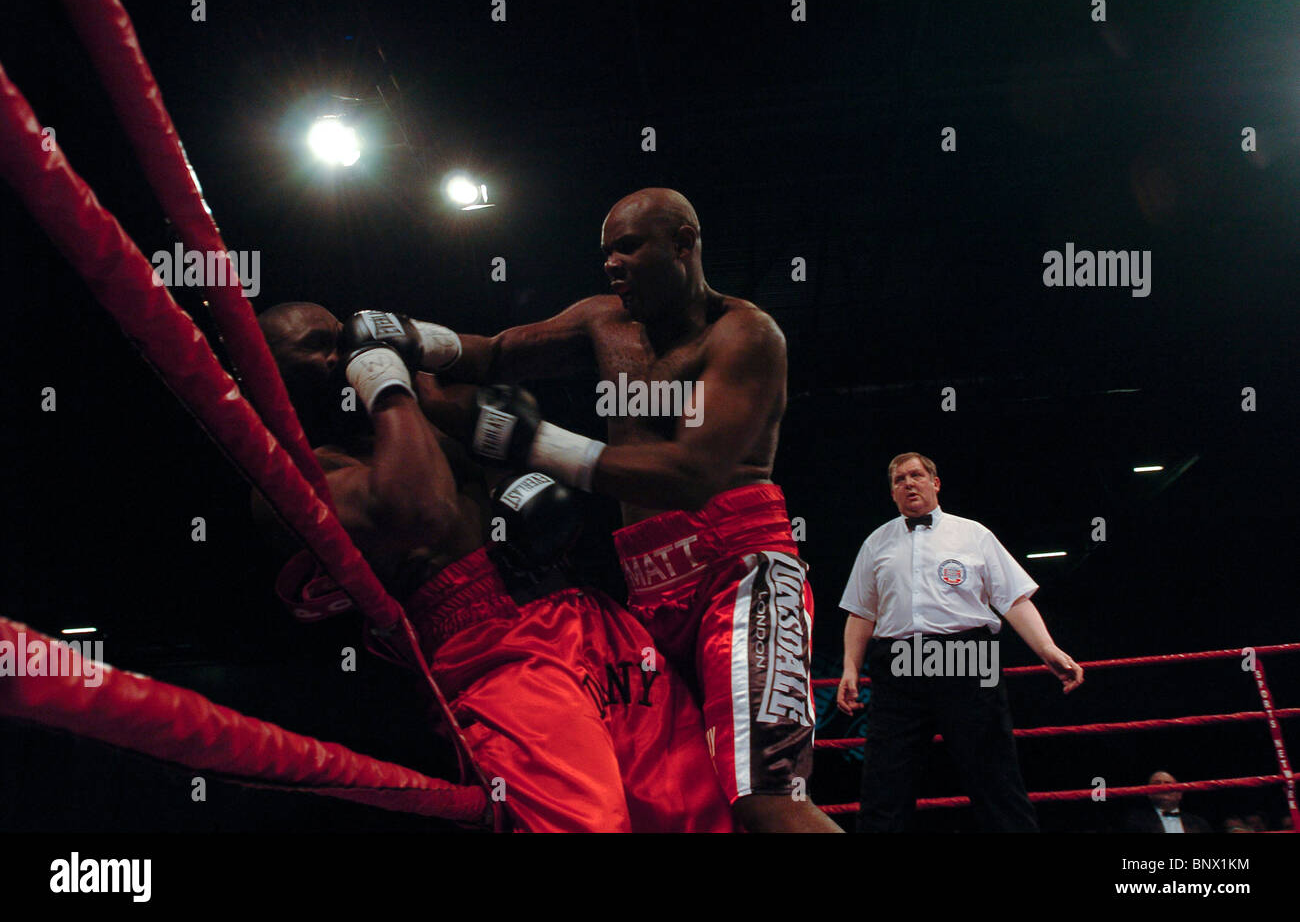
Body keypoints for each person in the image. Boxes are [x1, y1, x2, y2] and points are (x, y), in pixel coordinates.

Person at [366, 188, 839, 831]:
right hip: (648, 588)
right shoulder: (604, 320)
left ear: (683, 243)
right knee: (688, 802)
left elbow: (691, 474)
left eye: (628, 247)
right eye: (605, 251)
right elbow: (497, 352)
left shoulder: (745, 334)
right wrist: (410, 338)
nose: (611, 264)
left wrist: (533, 441)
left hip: (742, 573)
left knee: (768, 803)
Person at [255, 302, 734, 833]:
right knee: (586, 824)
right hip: (489, 646)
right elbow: (422, 512)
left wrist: (417, 357)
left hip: (586, 611)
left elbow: (499, 405)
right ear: (265, 375)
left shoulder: (417, 410)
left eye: (339, 339)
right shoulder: (297, 479)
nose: (337, 355)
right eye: (314, 348)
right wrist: (384, 382)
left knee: (696, 814)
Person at [835, 451, 1084, 832]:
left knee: (994, 776)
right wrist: (850, 668)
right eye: (899, 480)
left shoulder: (973, 534)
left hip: (968, 656)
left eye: (916, 475)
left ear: (935, 483)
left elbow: (1013, 599)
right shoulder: (876, 542)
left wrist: (1047, 649)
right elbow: (861, 613)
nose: (908, 484)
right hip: (900, 663)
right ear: (892, 493)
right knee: (885, 782)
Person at [1123, 771, 1211, 833]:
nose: (1163, 787)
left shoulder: (1198, 823)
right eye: (1157, 783)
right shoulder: (1135, 821)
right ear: (1148, 793)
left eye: (1168, 784)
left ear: (1179, 794)